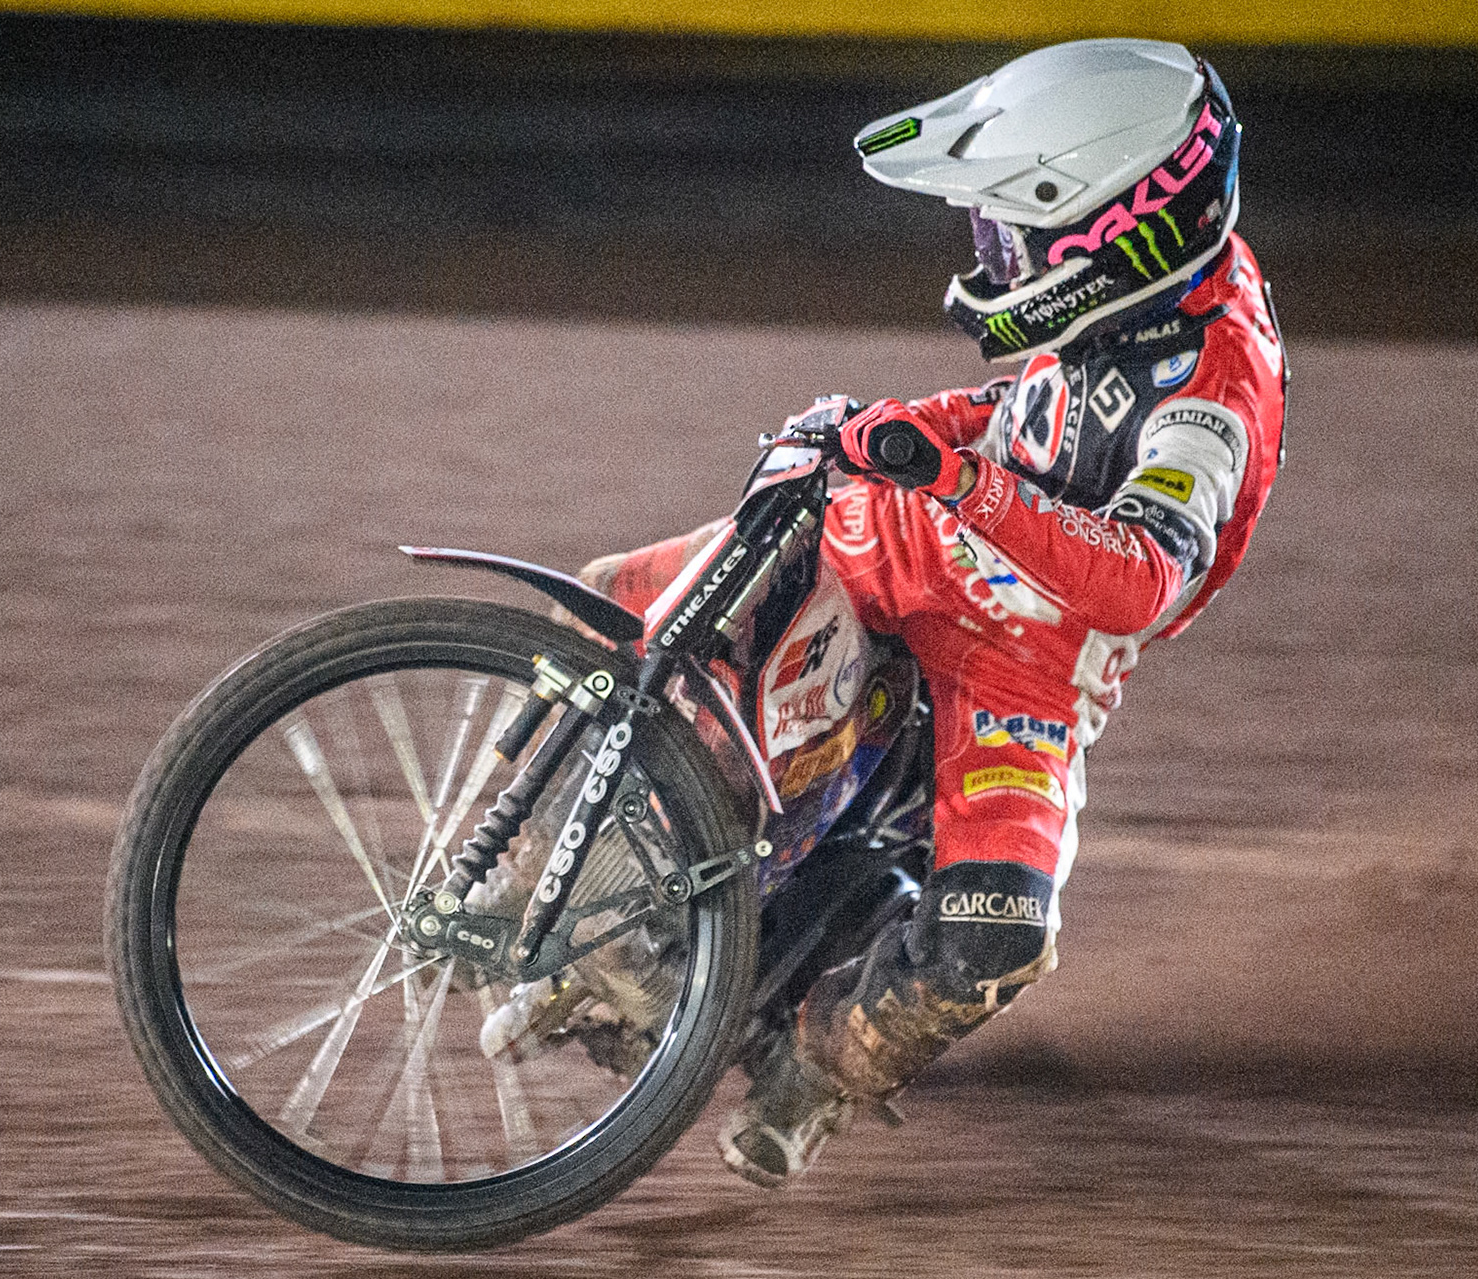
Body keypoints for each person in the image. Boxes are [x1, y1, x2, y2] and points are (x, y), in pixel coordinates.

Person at [506, 37, 1287, 1187]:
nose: (992, 255)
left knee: (995, 939)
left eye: (1015, 233)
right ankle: (554, 865)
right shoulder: (1156, 276)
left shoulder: (1213, 395)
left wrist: (962, 475)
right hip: (911, 543)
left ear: (1110, 233)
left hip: (1035, 651)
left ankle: (813, 1066)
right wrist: (908, 433)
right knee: (634, 600)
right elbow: (1034, 406)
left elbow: (1137, 579)